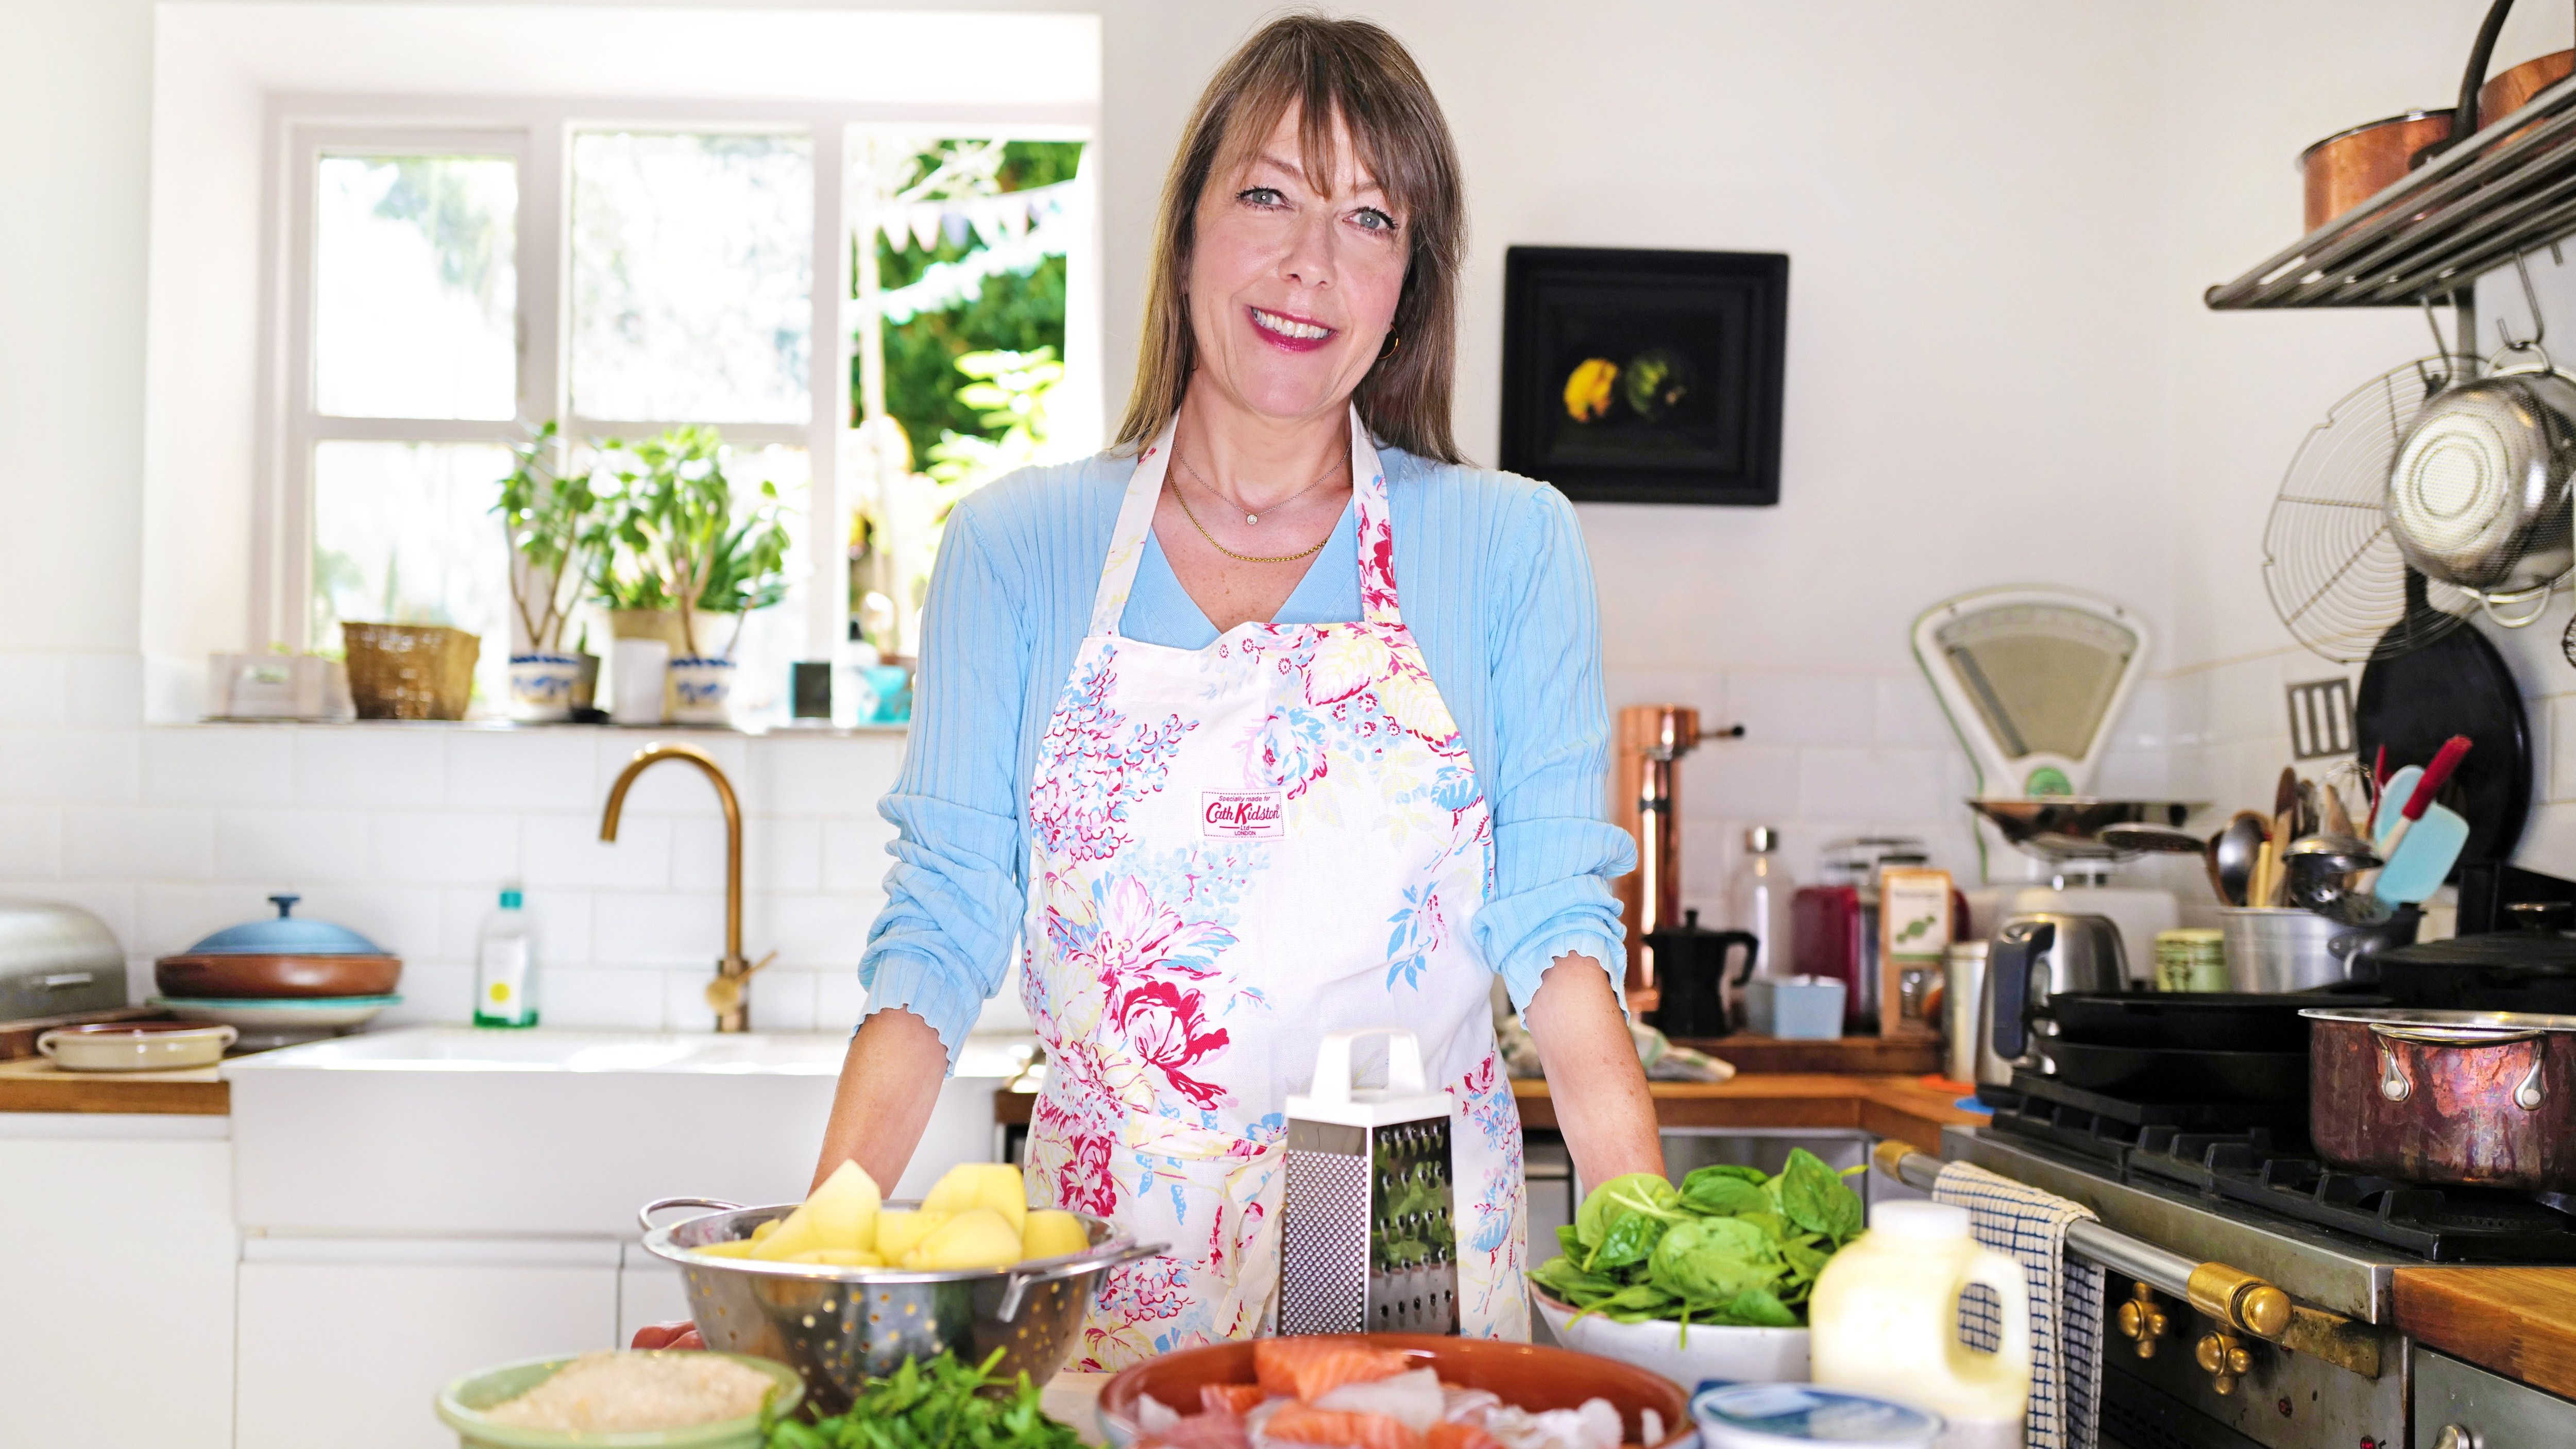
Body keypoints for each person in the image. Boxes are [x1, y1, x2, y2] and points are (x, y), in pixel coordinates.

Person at [816, 13, 1659, 1366]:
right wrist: (820, 1247)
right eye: (1267, 193)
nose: (1308, 262)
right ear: (1190, 227)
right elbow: (943, 916)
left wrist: (1659, 1282)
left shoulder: (1508, 546)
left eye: (1370, 219)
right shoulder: (1014, 546)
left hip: (1395, 1220)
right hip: (1111, 1247)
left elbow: (1558, 933)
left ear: (1409, 282)